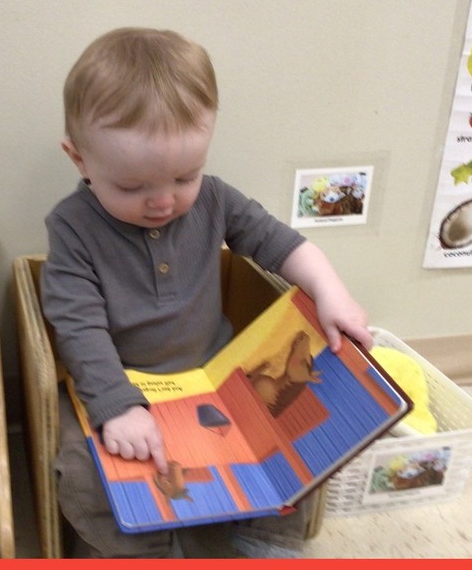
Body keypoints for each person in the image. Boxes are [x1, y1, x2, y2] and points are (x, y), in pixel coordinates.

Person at [40, 27, 373, 558]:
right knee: (84, 465)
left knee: (297, 436)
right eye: (132, 186)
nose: (163, 201)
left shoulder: (215, 199)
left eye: (184, 176)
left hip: (216, 375)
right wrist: (116, 406)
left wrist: (329, 291)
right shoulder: (73, 228)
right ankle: (138, 551)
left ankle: (265, 536)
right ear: (79, 159)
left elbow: (280, 243)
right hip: (118, 381)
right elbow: (78, 326)